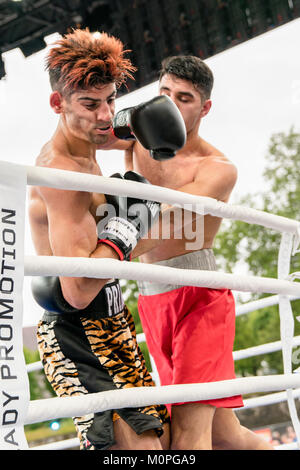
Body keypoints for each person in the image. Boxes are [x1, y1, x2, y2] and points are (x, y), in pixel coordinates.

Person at [28, 29, 185, 451]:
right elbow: (78, 290)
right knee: (137, 449)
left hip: (114, 320)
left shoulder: (93, 149)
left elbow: (153, 214)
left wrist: (147, 148)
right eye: (90, 104)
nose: (104, 115)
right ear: (57, 103)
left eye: (111, 100)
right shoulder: (61, 174)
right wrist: (125, 228)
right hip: (77, 330)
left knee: (161, 441)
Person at [118, 55, 274, 450]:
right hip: (152, 300)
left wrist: (98, 252)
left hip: (199, 299)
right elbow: (82, 130)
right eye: (164, 93)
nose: (170, 104)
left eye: (184, 98)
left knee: (188, 435)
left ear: (205, 107)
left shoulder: (218, 168)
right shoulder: (138, 134)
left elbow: (167, 222)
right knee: (225, 434)